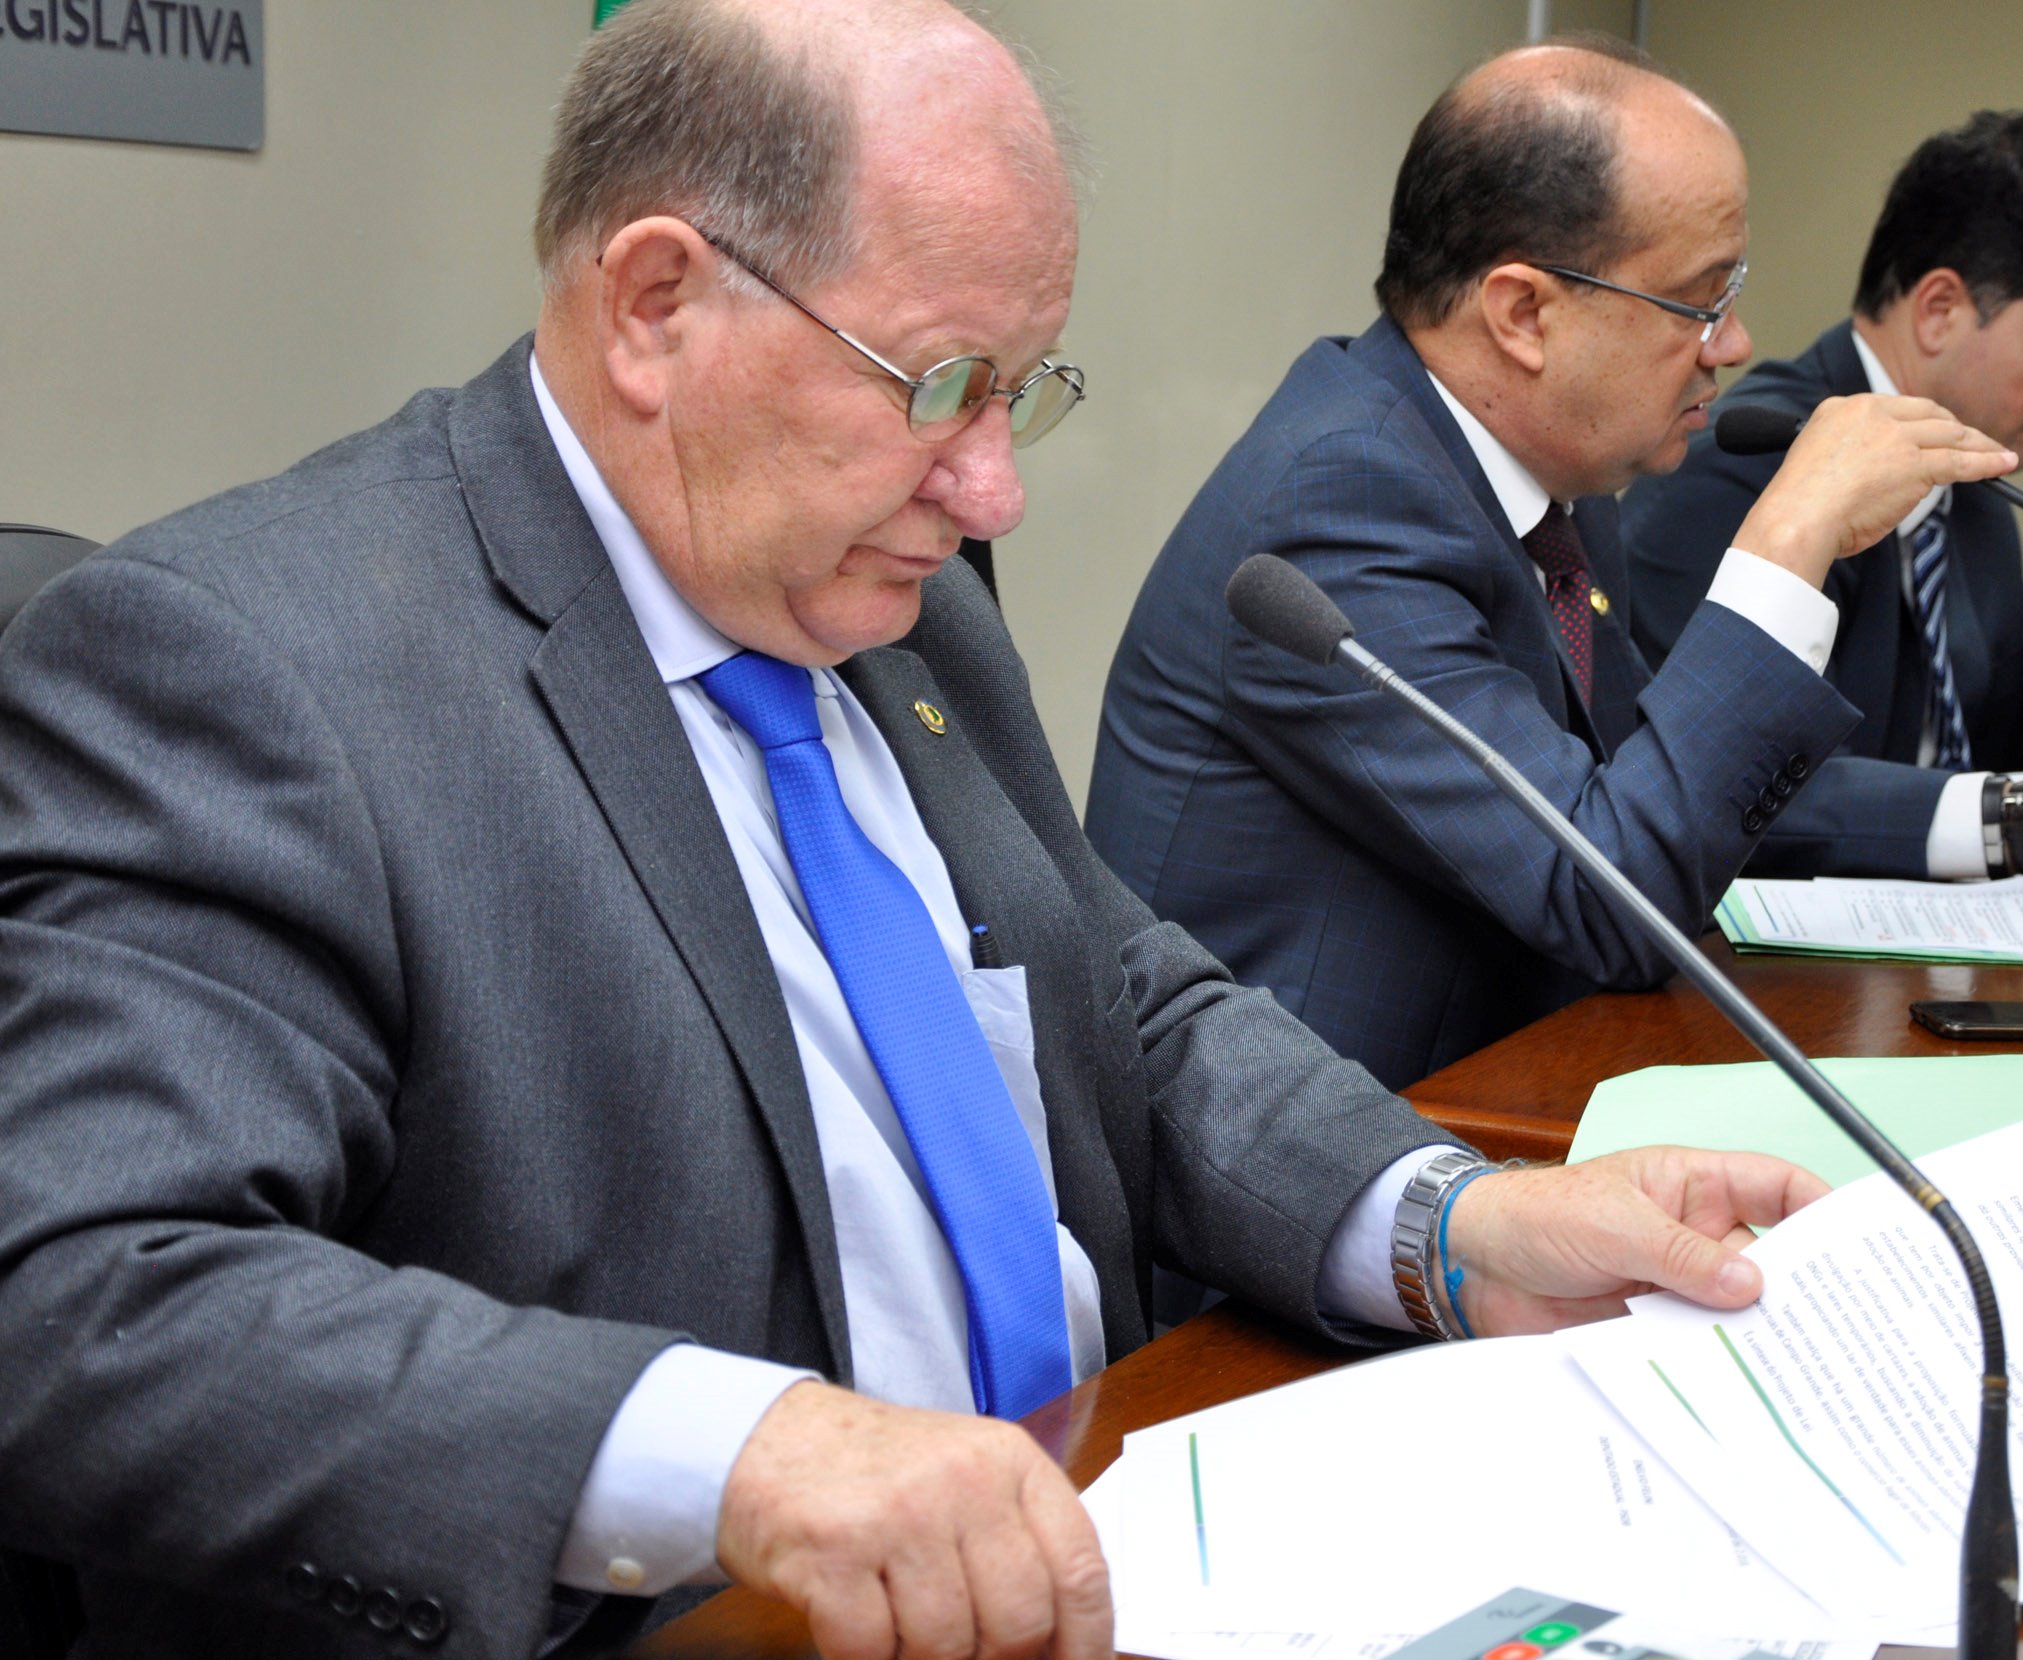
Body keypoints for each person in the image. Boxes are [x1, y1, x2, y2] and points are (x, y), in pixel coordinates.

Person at [0, 6, 1843, 1658]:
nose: (996, 490)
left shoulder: (899, 599)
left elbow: (1115, 993)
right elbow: (83, 1297)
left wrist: (1451, 1222)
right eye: (941, 386)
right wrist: (738, 1452)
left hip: (1124, 1528)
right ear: (656, 307)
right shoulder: (244, 667)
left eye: (1021, 388)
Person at [1085, 45, 2023, 1092]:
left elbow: (1664, 785)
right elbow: (1609, 892)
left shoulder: (1553, 482)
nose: (1733, 344)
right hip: (1321, 1173)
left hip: (1507, 1086)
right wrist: (1788, 542)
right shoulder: (1343, 502)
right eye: (1698, 301)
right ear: (1523, 313)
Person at [1621, 109, 2023, 879]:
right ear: (1939, 310)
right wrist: (2012, 821)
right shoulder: (1750, 469)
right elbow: (1720, 786)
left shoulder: (1964, 472)